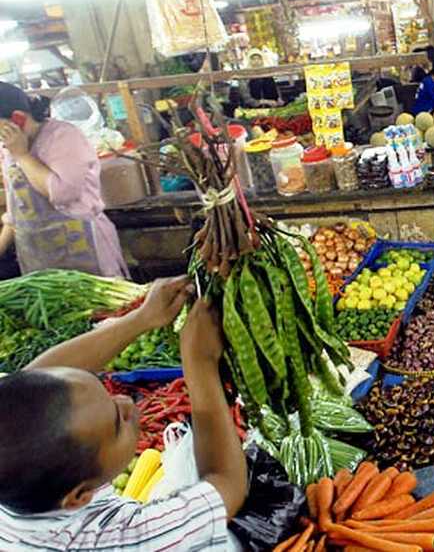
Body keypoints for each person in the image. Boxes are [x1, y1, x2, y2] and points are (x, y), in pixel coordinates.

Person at [0, 277, 248, 549]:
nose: (126, 402)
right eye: (118, 423)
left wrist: (141, 319)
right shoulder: (123, 539)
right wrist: (200, 363)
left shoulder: (19, 480)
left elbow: (37, 379)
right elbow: (227, 484)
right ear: (79, 497)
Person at [0, 83, 128, 277]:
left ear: (18, 118)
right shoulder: (8, 147)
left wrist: (22, 155)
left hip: (84, 251)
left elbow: (62, 193)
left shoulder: (62, 137)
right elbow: (16, 208)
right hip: (40, 258)